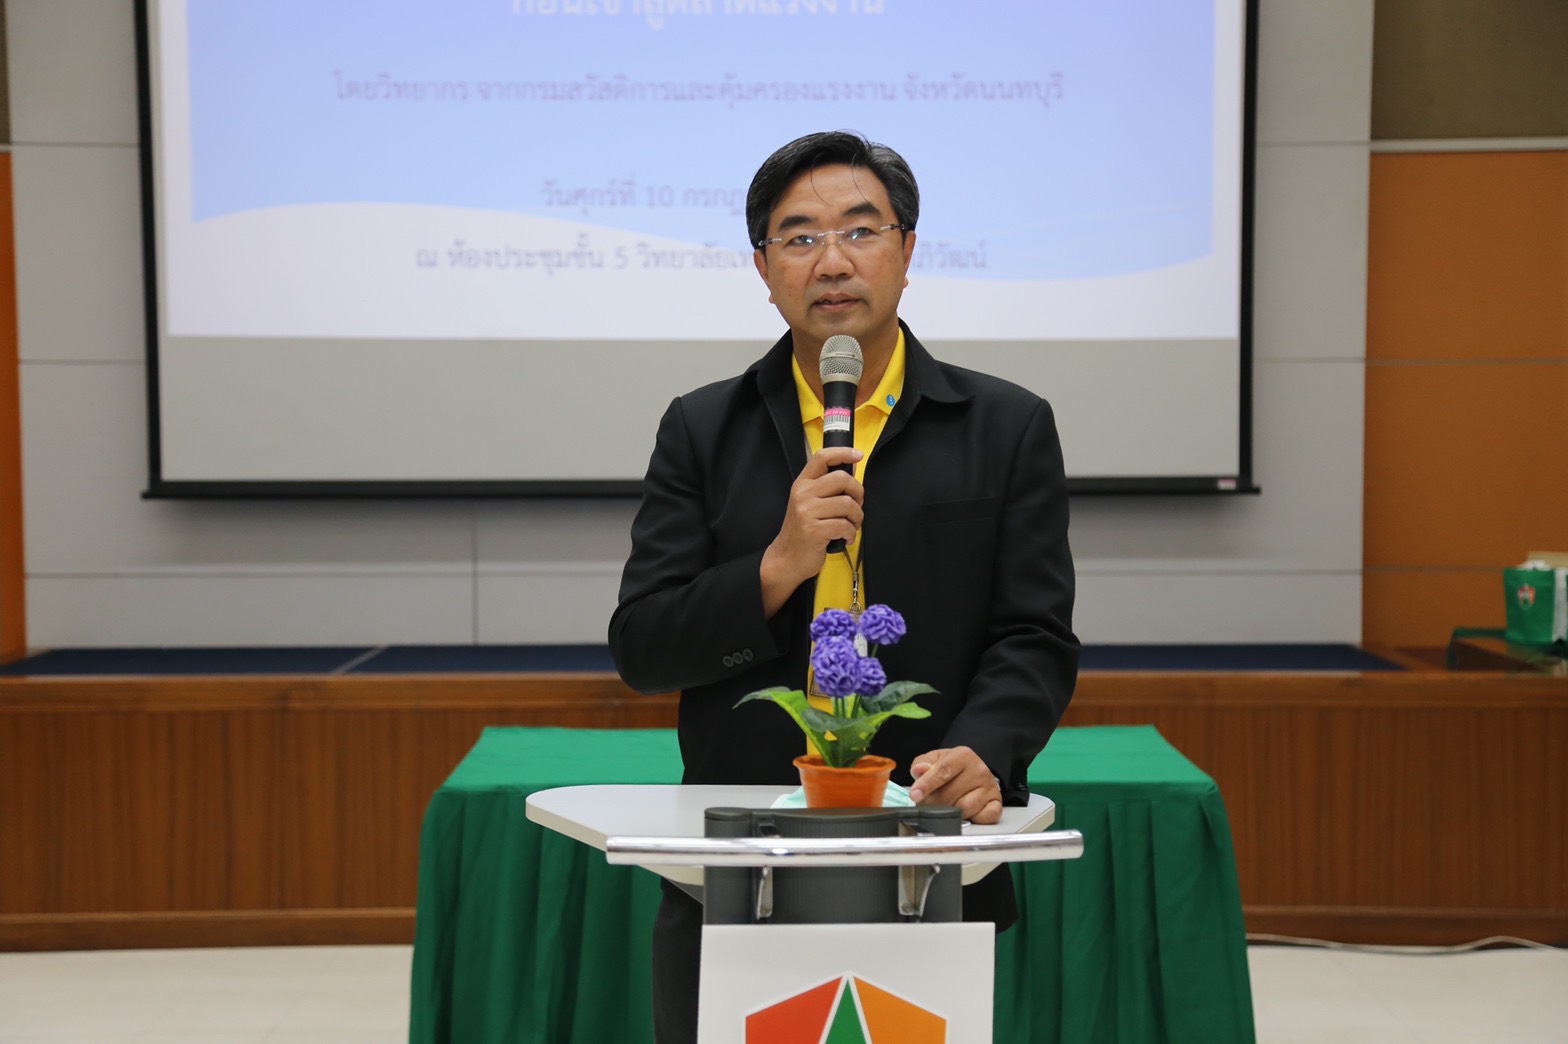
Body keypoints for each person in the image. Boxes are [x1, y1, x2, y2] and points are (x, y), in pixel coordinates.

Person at [609, 130, 1078, 1042]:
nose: (832, 262)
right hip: (737, 861)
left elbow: (1034, 635)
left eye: (862, 231)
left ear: (907, 251)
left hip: (927, 848)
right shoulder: (703, 429)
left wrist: (985, 750)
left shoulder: (1004, 425)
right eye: (799, 237)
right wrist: (776, 567)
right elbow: (644, 647)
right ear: (763, 268)